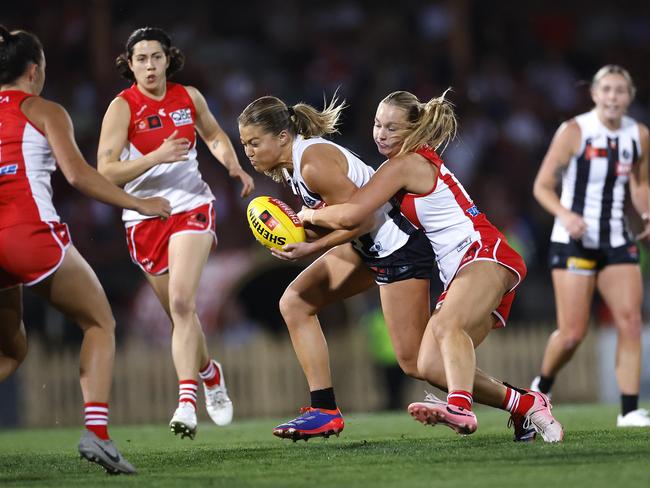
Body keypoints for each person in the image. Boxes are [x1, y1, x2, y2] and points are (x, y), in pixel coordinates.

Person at [238, 94, 555, 443]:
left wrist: (311, 237)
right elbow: (347, 217)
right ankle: (324, 410)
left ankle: (509, 404)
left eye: (254, 142)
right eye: (245, 144)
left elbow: (361, 216)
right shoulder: (297, 167)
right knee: (295, 303)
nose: (249, 151)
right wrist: (301, 235)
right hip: (368, 247)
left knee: (418, 364)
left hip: (395, 249)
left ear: (283, 136)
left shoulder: (314, 162)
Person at [0, 26, 172, 474]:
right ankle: (97, 435)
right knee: (99, 322)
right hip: (28, 234)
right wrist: (139, 202)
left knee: (10, 352)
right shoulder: (42, 109)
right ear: (34, 71)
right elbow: (78, 176)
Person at [96, 27, 254, 440]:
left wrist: (232, 164)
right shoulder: (121, 108)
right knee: (179, 315)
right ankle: (209, 371)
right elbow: (106, 171)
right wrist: (157, 155)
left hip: (191, 206)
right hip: (144, 218)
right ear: (129, 65)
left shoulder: (189, 97)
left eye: (156, 57)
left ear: (169, 59)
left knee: (184, 302)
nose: (150, 66)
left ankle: (187, 403)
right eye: (141, 59)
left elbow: (215, 135)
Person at [530, 65, 650, 427]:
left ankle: (629, 410)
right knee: (572, 334)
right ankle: (542, 386)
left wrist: (646, 214)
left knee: (630, 321)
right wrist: (565, 215)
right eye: (607, 90)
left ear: (629, 97)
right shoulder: (575, 131)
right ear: (595, 94)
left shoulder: (639, 135)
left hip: (616, 239)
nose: (613, 97)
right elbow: (541, 186)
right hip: (574, 242)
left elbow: (640, 184)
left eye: (620, 91)